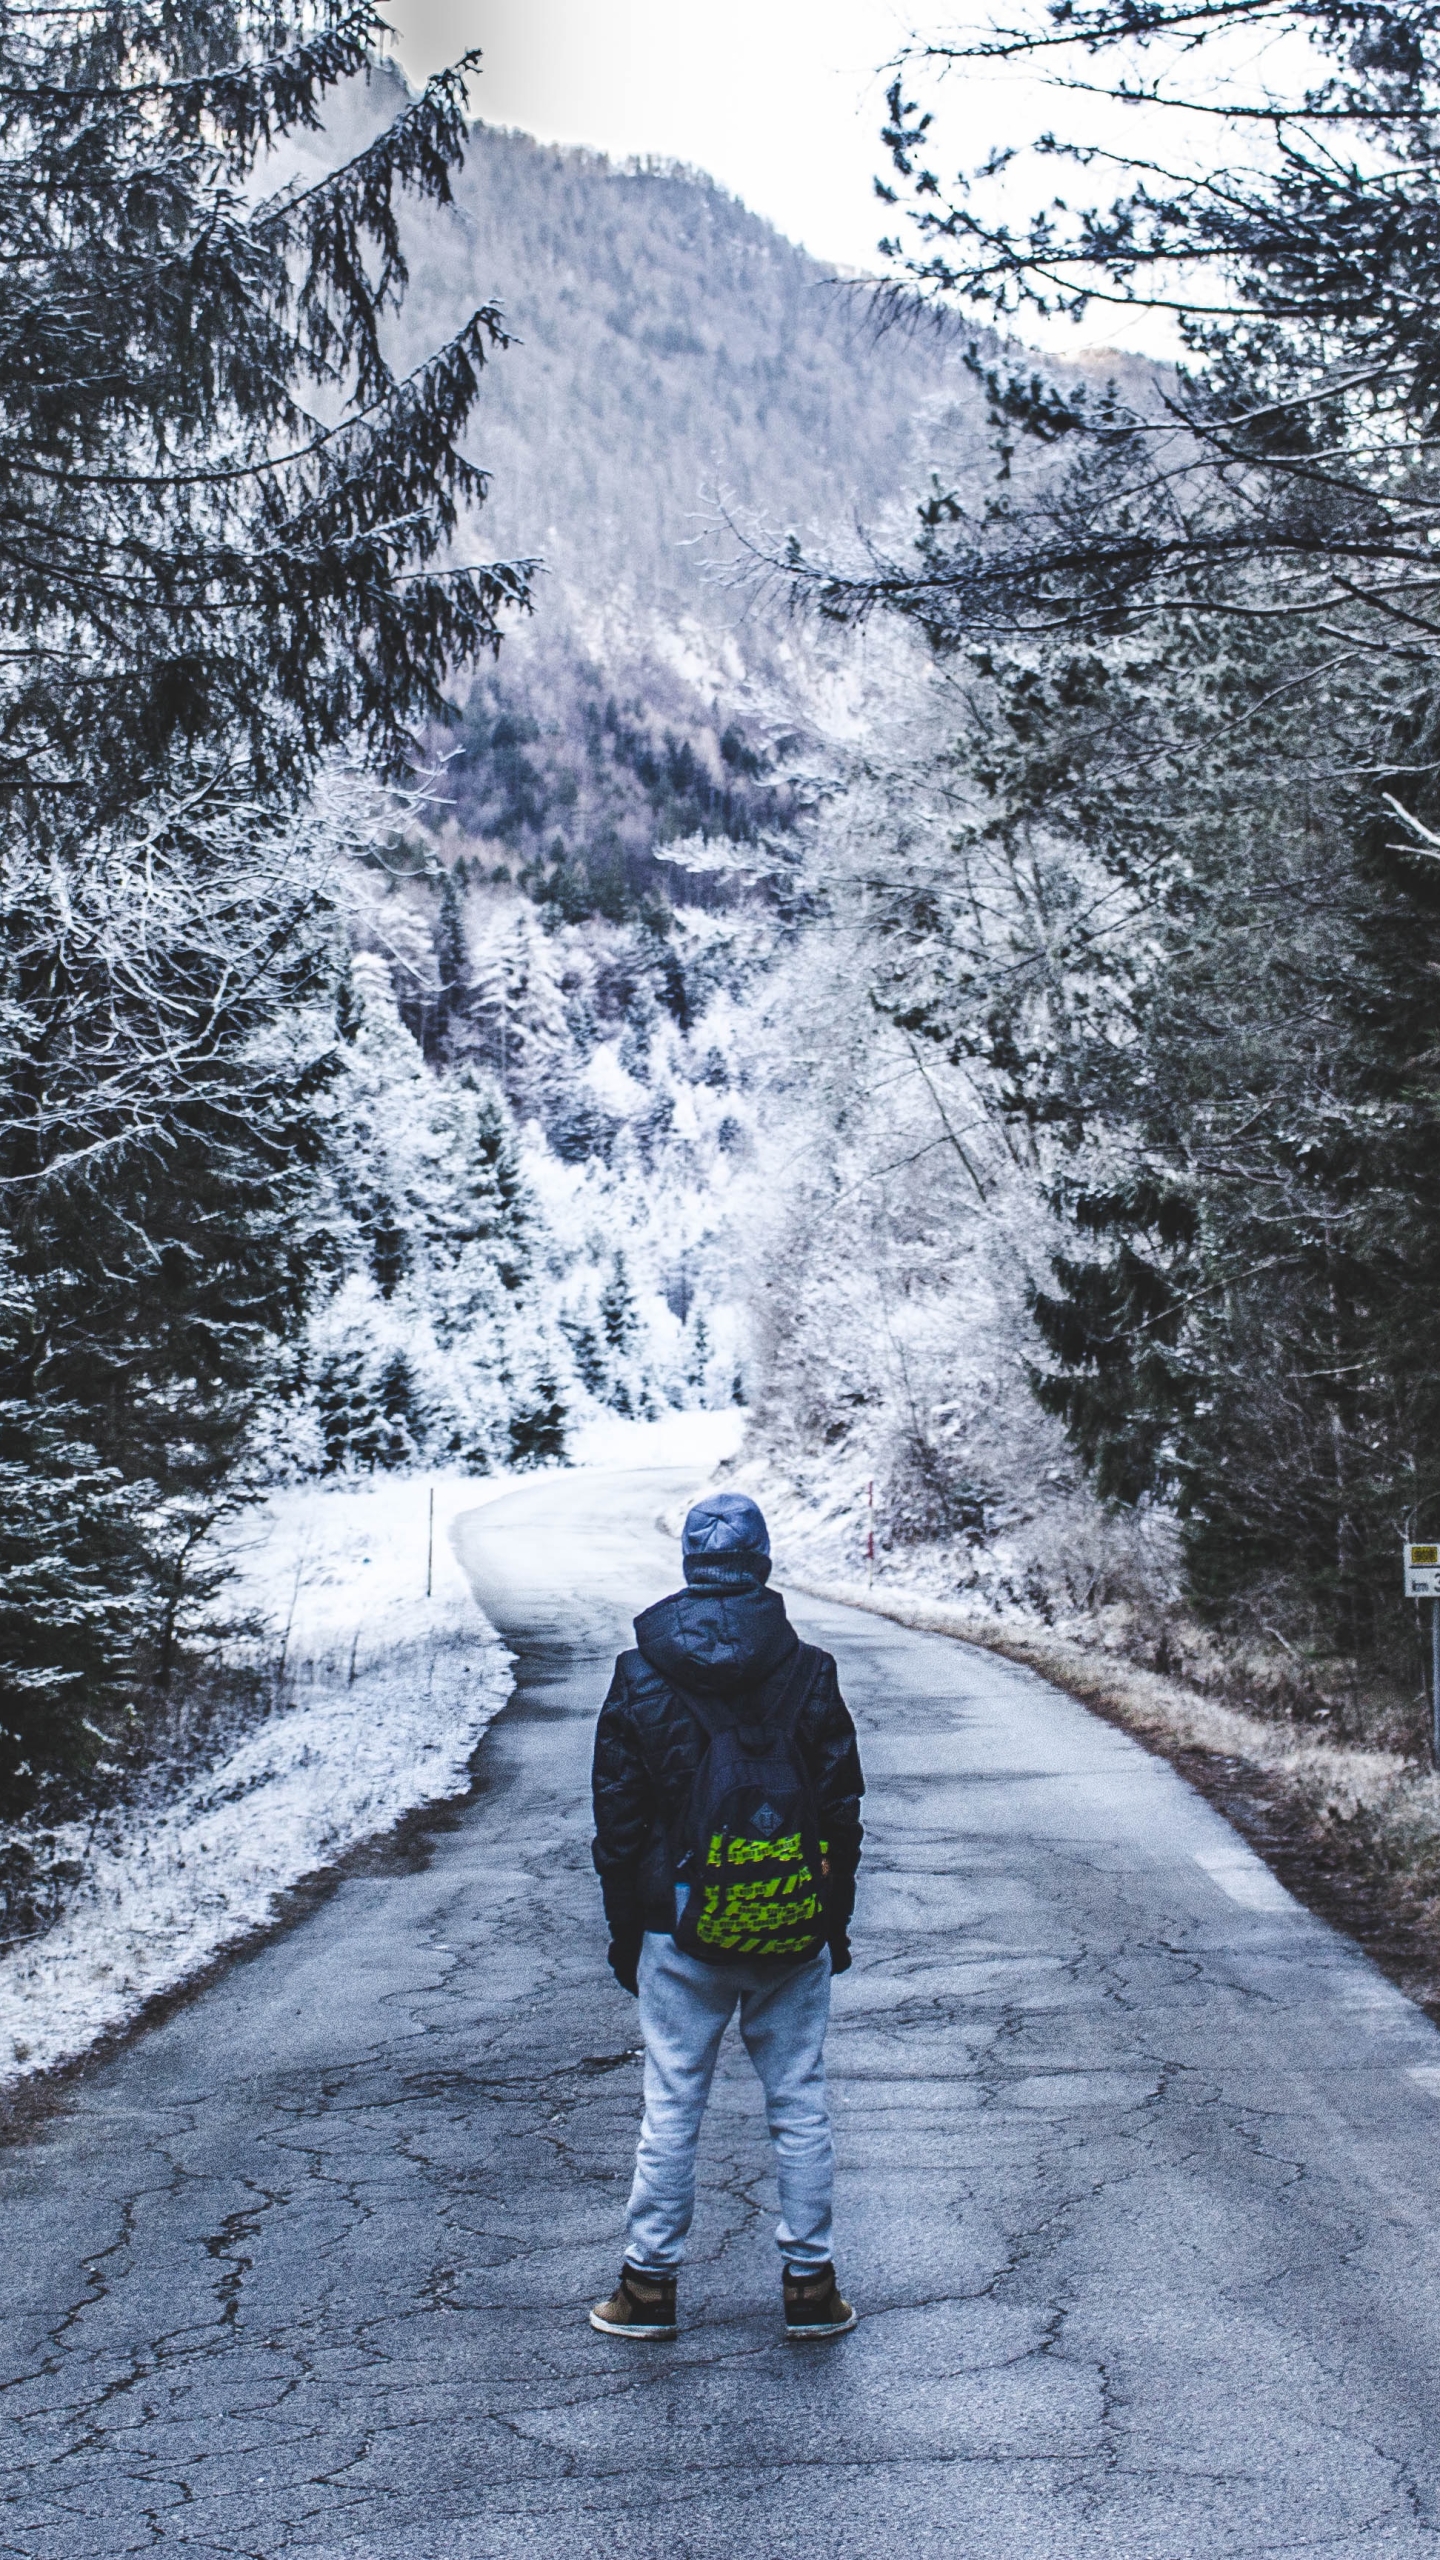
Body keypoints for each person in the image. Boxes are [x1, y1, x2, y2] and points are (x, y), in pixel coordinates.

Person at [588, 1489, 865, 2343]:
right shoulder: (810, 1670)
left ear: (689, 1568)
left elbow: (618, 1820)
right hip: (790, 1921)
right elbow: (841, 1809)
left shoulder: (640, 1672)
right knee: (799, 2102)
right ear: (763, 1566)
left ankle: (648, 2288)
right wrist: (832, 1923)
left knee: (671, 2102)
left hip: (677, 1925)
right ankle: (811, 2288)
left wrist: (627, 1932)